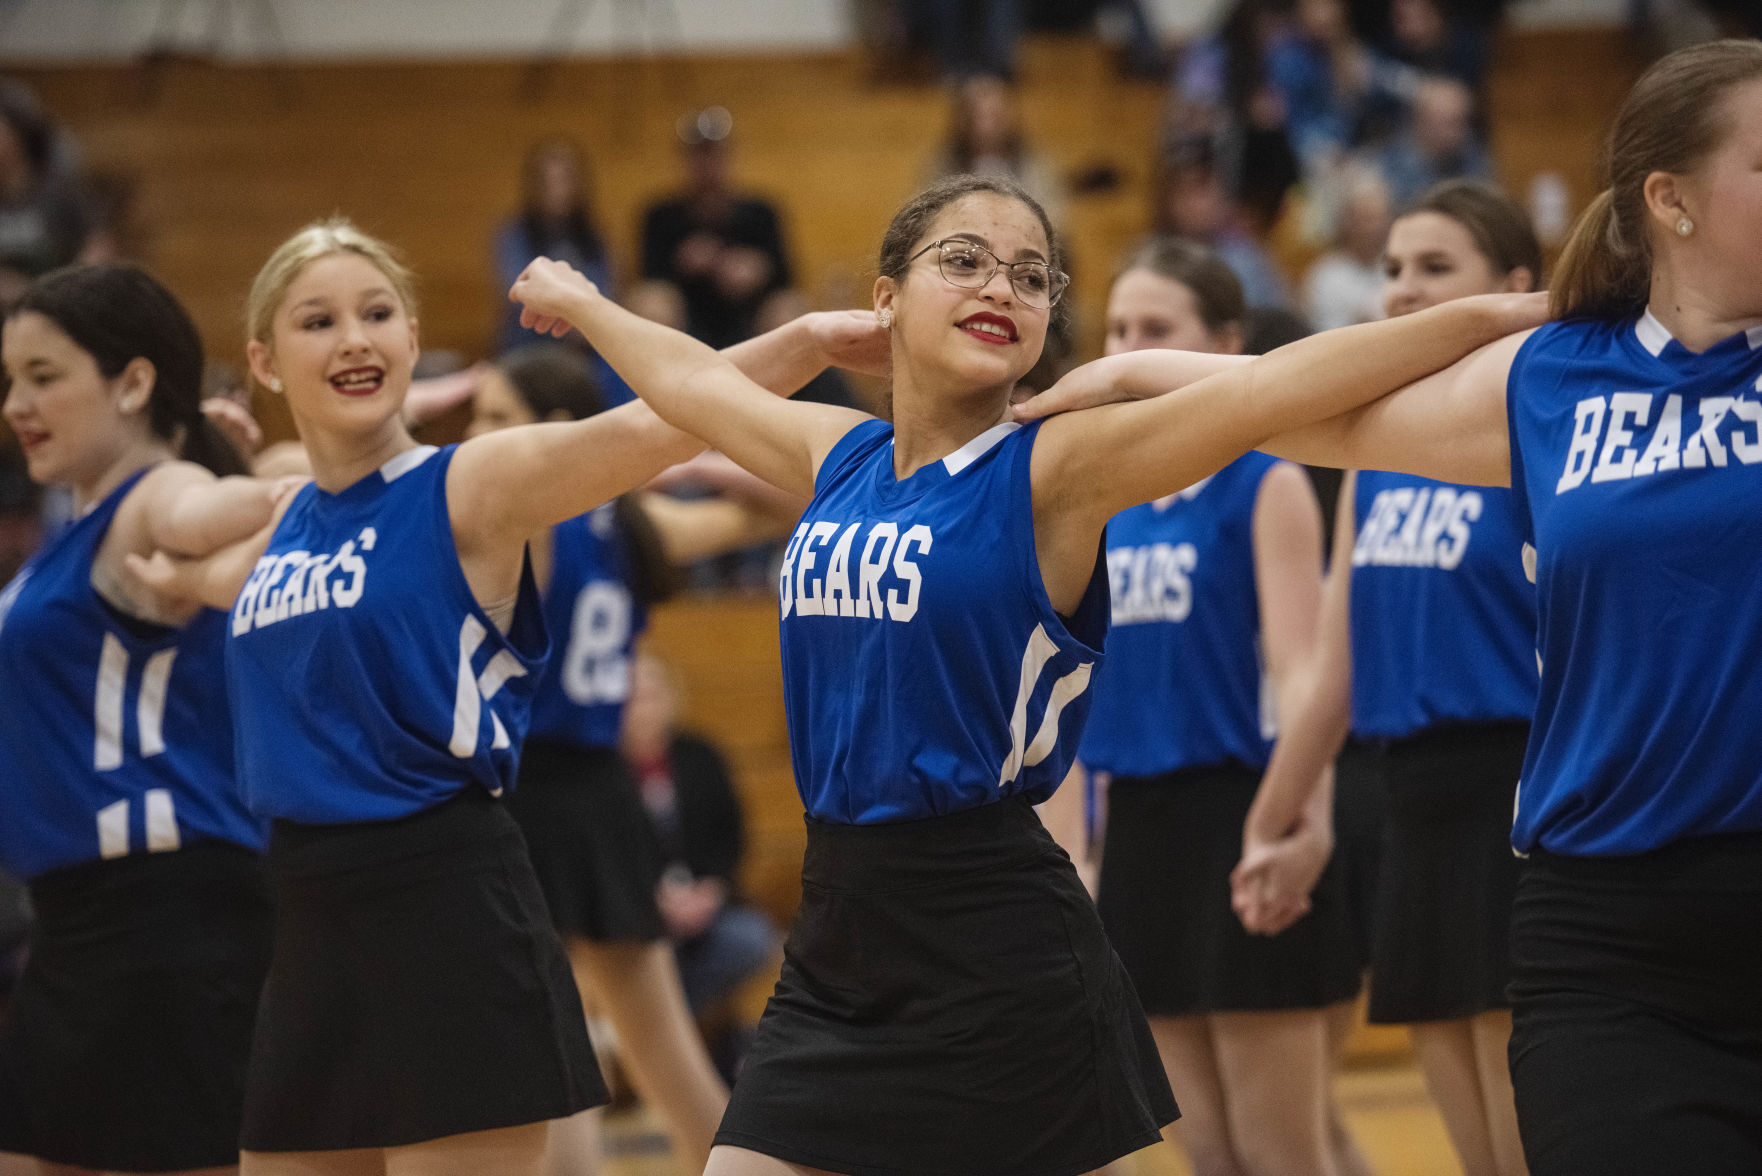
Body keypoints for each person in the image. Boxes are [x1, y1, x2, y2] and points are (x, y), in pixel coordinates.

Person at [508, 171, 1543, 1176]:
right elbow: (691, 384)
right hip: (840, 926)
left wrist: (1520, 310)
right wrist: (585, 304)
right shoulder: (844, 458)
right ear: (887, 297)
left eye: (1031, 274)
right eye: (962, 261)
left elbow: (1278, 385)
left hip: (992, 929)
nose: (1000, 286)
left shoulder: (1056, 469)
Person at [1024, 39, 1762, 1175]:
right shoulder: (1552, 378)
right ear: (1669, 199)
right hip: (1606, 923)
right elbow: (1307, 412)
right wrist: (1130, 381)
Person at [130, 218, 888, 1176]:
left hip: (444, 902)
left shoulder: (471, 483)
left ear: (413, 340)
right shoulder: (281, 522)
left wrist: (809, 341)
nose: (354, 338)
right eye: (318, 321)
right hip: (307, 920)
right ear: (265, 361)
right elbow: (170, 571)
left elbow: (662, 419)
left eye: (377, 314)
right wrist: (195, 462)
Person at [462, 342, 801, 1175]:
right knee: (661, 1056)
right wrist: (715, 471)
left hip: (529, 794)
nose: (475, 438)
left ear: (550, 434)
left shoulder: (526, 519)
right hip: (602, 797)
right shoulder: (632, 526)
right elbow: (786, 508)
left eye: (495, 419)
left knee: (556, 1061)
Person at [1263, 179, 1543, 1176]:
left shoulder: (1534, 425)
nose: (1402, 290)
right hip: (1407, 799)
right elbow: (1336, 660)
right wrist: (1277, 814)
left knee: (1528, 1136)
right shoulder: (1373, 449)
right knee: (1467, 1144)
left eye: (1434, 268)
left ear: (1512, 286)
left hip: (1517, 791)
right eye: (1390, 270)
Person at [1070, 238, 1365, 1176]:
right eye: (1117, 328)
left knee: (1283, 1153)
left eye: (1154, 329)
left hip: (1246, 817)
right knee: (1209, 1154)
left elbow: (1305, 673)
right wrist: (1079, 853)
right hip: (1143, 836)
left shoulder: (1263, 481)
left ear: (1222, 342)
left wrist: (1300, 824)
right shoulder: (1105, 500)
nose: (1127, 347)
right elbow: (1069, 687)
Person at [0, 262, 272, 1175]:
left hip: (164, 927)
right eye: (11, 380)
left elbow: (214, 508)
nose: (16, 403)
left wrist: (287, 491)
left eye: (43, 376)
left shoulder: (154, 496)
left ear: (135, 381)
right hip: (82, 929)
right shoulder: (72, 529)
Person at [622, 653, 781, 1069]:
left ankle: (679, 1045)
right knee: (642, 961)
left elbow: (730, 838)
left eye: (652, 695)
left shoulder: (700, 756)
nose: (642, 706)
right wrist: (652, 900)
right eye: (632, 696)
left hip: (709, 913)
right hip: (639, 918)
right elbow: (605, 854)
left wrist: (710, 889)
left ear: (671, 699)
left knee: (752, 938)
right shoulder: (602, 773)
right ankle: (697, 1050)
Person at [637, 110, 798, 351]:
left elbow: (788, 279)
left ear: (728, 156)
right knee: (652, 305)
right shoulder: (661, 215)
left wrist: (759, 271)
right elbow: (648, 277)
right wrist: (682, 264)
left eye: (713, 153)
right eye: (699, 154)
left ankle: (789, 388)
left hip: (751, 316)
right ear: (685, 159)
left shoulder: (762, 212)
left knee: (787, 310)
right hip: (684, 316)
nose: (706, 164)